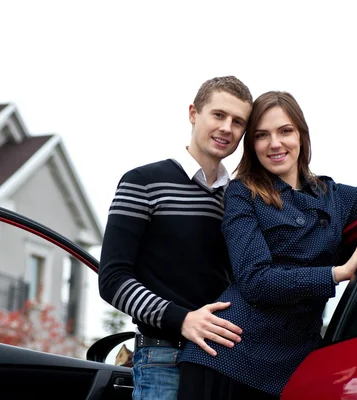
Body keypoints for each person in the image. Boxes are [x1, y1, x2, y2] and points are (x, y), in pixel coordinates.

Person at [177, 90, 357, 399]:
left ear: (301, 136)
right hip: (227, 360)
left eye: (285, 131)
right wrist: (339, 272)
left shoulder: (334, 196)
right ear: (253, 146)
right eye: (262, 135)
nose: (275, 144)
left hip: (290, 370)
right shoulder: (243, 193)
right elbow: (255, 281)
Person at [98, 76, 253, 400]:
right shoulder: (143, 182)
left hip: (224, 361)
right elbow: (112, 279)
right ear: (193, 113)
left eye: (238, 122)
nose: (227, 127)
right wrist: (182, 319)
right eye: (218, 115)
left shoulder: (237, 197)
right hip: (162, 358)